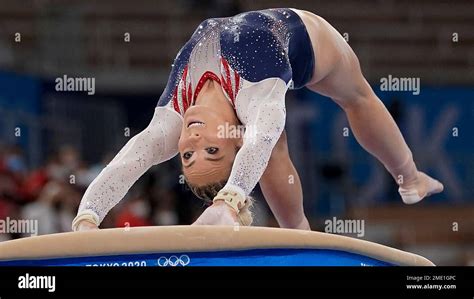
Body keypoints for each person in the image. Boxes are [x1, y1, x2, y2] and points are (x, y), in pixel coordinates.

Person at [72, 8, 443, 232]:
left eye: (187, 158)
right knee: (354, 98)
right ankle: (304, 229)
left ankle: (410, 180)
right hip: (308, 43)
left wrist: (87, 217)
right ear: (236, 136)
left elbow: (126, 163)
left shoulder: (172, 121)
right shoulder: (255, 98)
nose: (194, 145)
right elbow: (260, 140)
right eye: (213, 152)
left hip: (274, 32)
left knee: (277, 142)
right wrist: (229, 202)